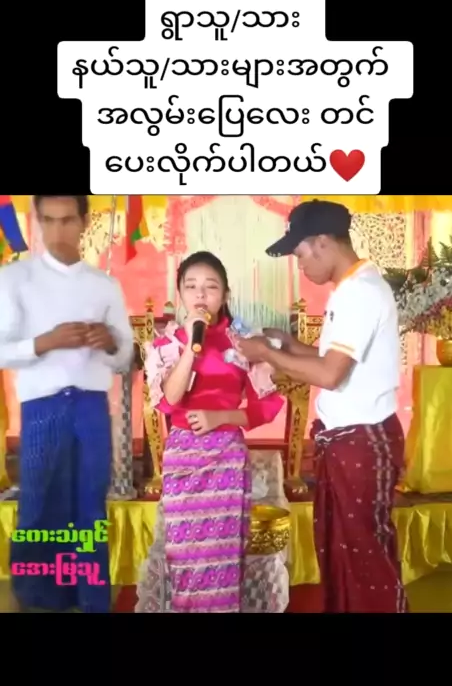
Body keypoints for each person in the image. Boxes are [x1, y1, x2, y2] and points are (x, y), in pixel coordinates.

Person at [236, 200, 407, 614]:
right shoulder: (351, 289)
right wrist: (289, 345)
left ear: (323, 242)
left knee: (365, 558)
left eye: (300, 255)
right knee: (345, 554)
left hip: (361, 442)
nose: (300, 267)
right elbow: (337, 360)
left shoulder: (360, 293)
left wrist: (268, 354)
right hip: (348, 441)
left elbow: (330, 375)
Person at [0, 195, 134, 612]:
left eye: (67, 221)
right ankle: (38, 600)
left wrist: (108, 341)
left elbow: (126, 356)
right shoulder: (15, 279)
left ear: (84, 221)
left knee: (90, 505)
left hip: (92, 407)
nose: (57, 232)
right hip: (42, 408)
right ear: (37, 220)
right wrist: (44, 342)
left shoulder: (103, 285)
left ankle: (91, 599)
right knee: (39, 506)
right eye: (49, 221)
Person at [135, 251, 284, 613]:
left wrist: (221, 417)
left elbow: (265, 407)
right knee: (184, 553)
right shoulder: (168, 345)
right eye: (191, 286)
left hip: (227, 459)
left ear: (225, 294)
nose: (200, 294)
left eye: (210, 287)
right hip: (183, 458)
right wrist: (191, 346)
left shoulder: (243, 343)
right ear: (180, 294)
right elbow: (169, 400)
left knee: (223, 556)